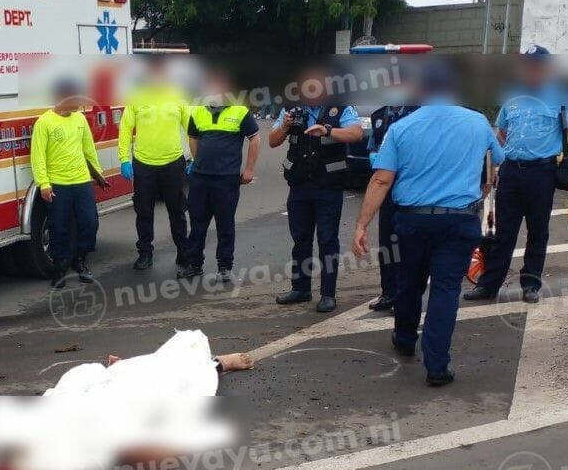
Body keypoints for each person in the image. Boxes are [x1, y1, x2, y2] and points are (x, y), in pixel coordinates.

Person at [352, 67, 505, 387]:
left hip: (412, 220)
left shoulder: (402, 127)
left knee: (409, 281)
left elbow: (381, 179)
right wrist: (480, 193)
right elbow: (496, 161)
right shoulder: (477, 122)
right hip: (460, 219)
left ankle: (406, 338)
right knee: (446, 290)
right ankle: (437, 365)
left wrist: (361, 225)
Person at [463, 45, 568, 304]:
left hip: (541, 172)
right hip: (511, 171)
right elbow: (502, 131)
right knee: (503, 231)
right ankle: (489, 284)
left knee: (537, 230)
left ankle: (531, 283)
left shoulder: (561, 94)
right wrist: (496, 166)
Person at [269, 70, 365, 313]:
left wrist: (328, 131)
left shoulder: (339, 108)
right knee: (300, 239)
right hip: (300, 184)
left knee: (327, 240)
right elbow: (272, 140)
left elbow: (356, 132)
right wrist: (286, 125)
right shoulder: (291, 108)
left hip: (328, 186)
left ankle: (328, 294)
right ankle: (300, 288)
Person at [178, 75, 261, 282]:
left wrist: (249, 169)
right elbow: (193, 138)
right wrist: (198, 162)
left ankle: (225, 267)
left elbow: (255, 139)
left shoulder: (240, 112)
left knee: (225, 225)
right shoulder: (197, 111)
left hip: (226, 180)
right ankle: (194, 265)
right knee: (197, 224)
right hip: (200, 179)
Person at [30, 79, 110, 289]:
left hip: (82, 181)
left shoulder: (80, 120)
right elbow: (37, 157)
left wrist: (98, 175)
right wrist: (44, 184)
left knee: (90, 222)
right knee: (58, 227)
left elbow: (88, 148)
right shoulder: (44, 123)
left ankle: (80, 258)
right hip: (58, 184)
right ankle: (60, 267)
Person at [118, 58, 191, 271]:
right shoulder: (136, 97)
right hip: (144, 164)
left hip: (173, 162)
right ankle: (145, 253)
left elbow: (192, 128)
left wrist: (195, 157)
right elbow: (124, 129)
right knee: (143, 211)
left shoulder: (179, 97)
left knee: (177, 210)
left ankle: (183, 252)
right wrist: (124, 159)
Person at [365, 102, 420, 312]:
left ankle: (403, 294)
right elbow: (373, 145)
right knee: (387, 243)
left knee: (407, 244)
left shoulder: (417, 112)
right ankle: (388, 292)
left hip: (410, 187)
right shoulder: (380, 115)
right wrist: (374, 157)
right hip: (386, 187)